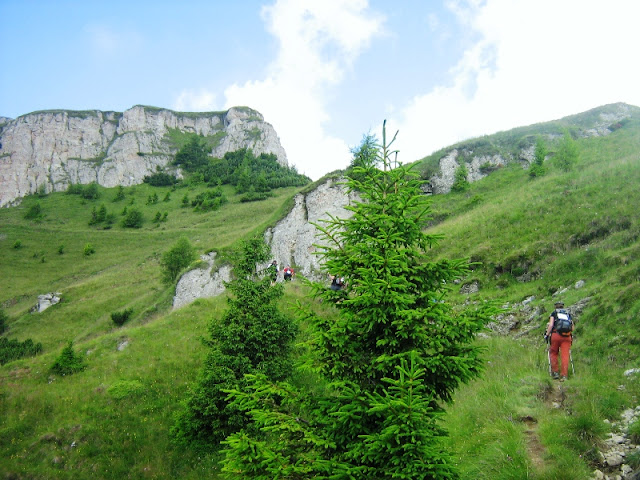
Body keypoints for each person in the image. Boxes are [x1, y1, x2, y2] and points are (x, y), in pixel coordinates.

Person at [544, 301, 573, 381]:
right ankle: (564, 375)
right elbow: (572, 327)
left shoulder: (554, 313)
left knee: (553, 353)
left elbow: (551, 325)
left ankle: (555, 373)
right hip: (567, 336)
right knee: (565, 355)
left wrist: (547, 334)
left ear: (555, 307)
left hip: (556, 335)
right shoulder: (568, 314)